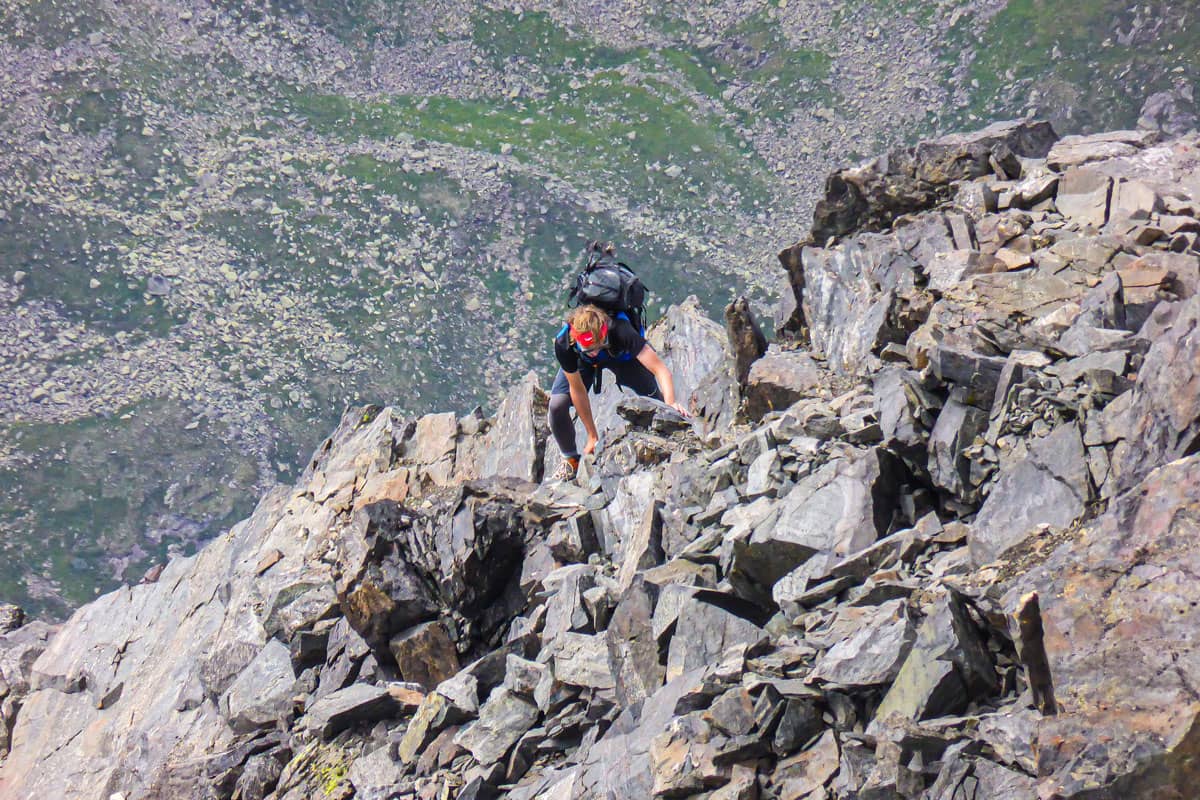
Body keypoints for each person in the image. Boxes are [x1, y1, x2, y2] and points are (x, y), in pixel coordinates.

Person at [548, 303, 689, 480]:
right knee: (557, 405)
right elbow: (577, 390)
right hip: (582, 363)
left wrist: (670, 405)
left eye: (597, 346)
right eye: (587, 349)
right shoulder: (565, 342)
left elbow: (660, 369)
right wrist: (592, 435)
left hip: (622, 357)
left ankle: (667, 437)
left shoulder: (621, 330)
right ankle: (570, 460)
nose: (593, 353)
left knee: (653, 399)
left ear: (604, 334)